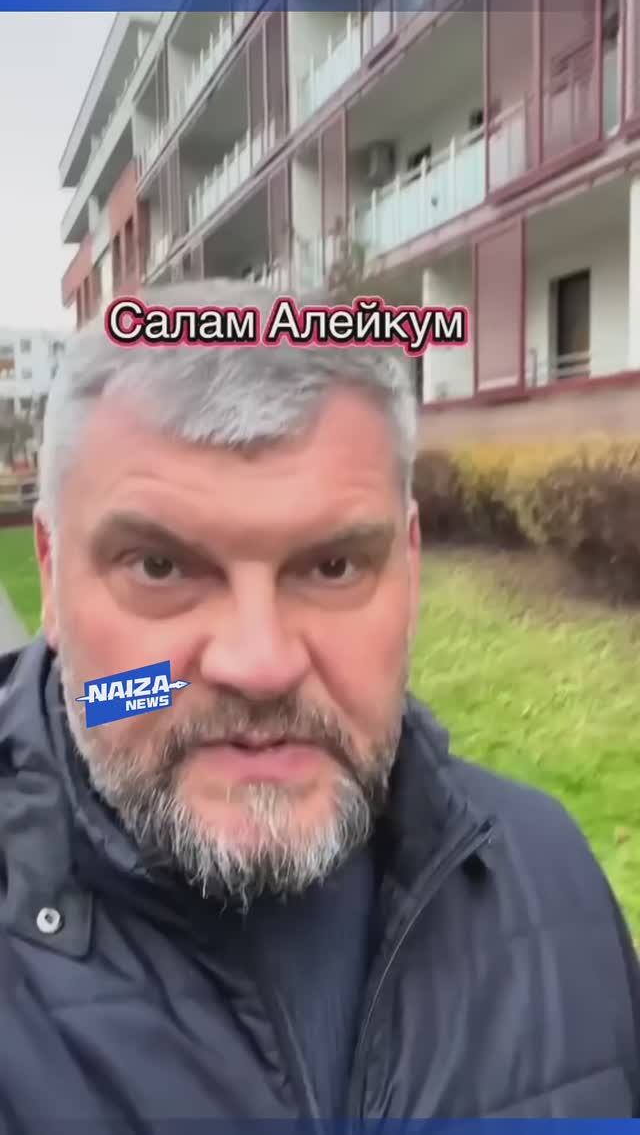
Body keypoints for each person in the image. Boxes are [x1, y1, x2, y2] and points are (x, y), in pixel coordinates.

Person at [0, 279, 638, 1128]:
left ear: (409, 566)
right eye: (160, 567)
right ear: (51, 574)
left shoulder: (552, 879)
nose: (260, 666)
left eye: (332, 567)